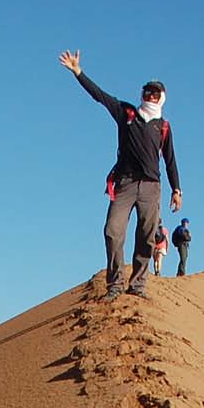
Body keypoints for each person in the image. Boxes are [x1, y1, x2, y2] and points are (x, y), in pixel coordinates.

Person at [59, 49, 181, 297]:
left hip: (151, 187)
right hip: (124, 184)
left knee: (146, 237)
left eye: (155, 93)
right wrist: (78, 72)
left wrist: (176, 190)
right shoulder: (127, 113)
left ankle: (137, 285)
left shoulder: (163, 126)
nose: (150, 96)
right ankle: (114, 284)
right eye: (147, 92)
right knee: (112, 232)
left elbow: (170, 160)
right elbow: (100, 97)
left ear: (162, 98)